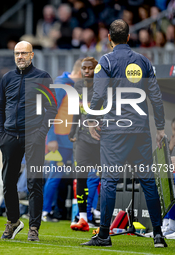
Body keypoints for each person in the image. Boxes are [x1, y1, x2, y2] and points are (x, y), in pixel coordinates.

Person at [82, 19, 167, 248]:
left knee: (109, 181)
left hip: (114, 131)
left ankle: (104, 235)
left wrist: (91, 120)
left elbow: (98, 96)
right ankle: (158, 235)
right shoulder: (144, 62)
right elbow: (156, 98)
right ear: (129, 37)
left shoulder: (106, 61)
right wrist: (160, 128)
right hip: (140, 131)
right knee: (148, 182)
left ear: (109, 38)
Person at [0, 41, 57, 241]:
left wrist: (40, 133)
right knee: (8, 182)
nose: (20, 57)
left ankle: (34, 227)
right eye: (17, 53)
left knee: (34, 183)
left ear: (32, 55)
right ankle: (13, 222)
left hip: (34, 136)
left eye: (23, 53)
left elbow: (51, 108)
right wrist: (0, 133)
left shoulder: (42, 77)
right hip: (9, 136)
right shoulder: (7, 78)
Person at [42, 59, 82, 222]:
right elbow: (50, 112)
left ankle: (79, 214)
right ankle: (44, 212)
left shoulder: (75, 87)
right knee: (55, 176)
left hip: (73, 140)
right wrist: (51, 138)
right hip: (59, 140)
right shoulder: (61, 85)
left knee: (80, 176)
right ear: (80, 72)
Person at [68, 57, 101, 232]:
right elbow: (75, 110)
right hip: (82, 139)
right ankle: (82, 218)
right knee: (80, 177)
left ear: (96, 70)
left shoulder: (103, 87)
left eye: (89, 68)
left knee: (103, 178)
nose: (86, 71)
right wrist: (72, 130)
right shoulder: (78, 86)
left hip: (100, 140)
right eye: (84, 68)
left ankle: (101, 215)